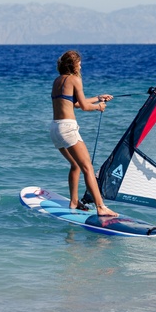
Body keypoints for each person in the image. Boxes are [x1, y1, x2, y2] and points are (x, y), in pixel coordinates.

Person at [50, 50, 118, 216]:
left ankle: (74, 201)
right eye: (79, 63)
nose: (80, 66)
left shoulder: (58, 80)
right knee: (87, 167)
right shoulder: (75, 79)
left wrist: (98, 98)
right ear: (73, 65)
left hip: (55, 128)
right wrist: (98, 107)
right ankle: (101, 207)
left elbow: (74, 103)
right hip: (68, 128)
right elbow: (85, 107)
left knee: (75, 165)